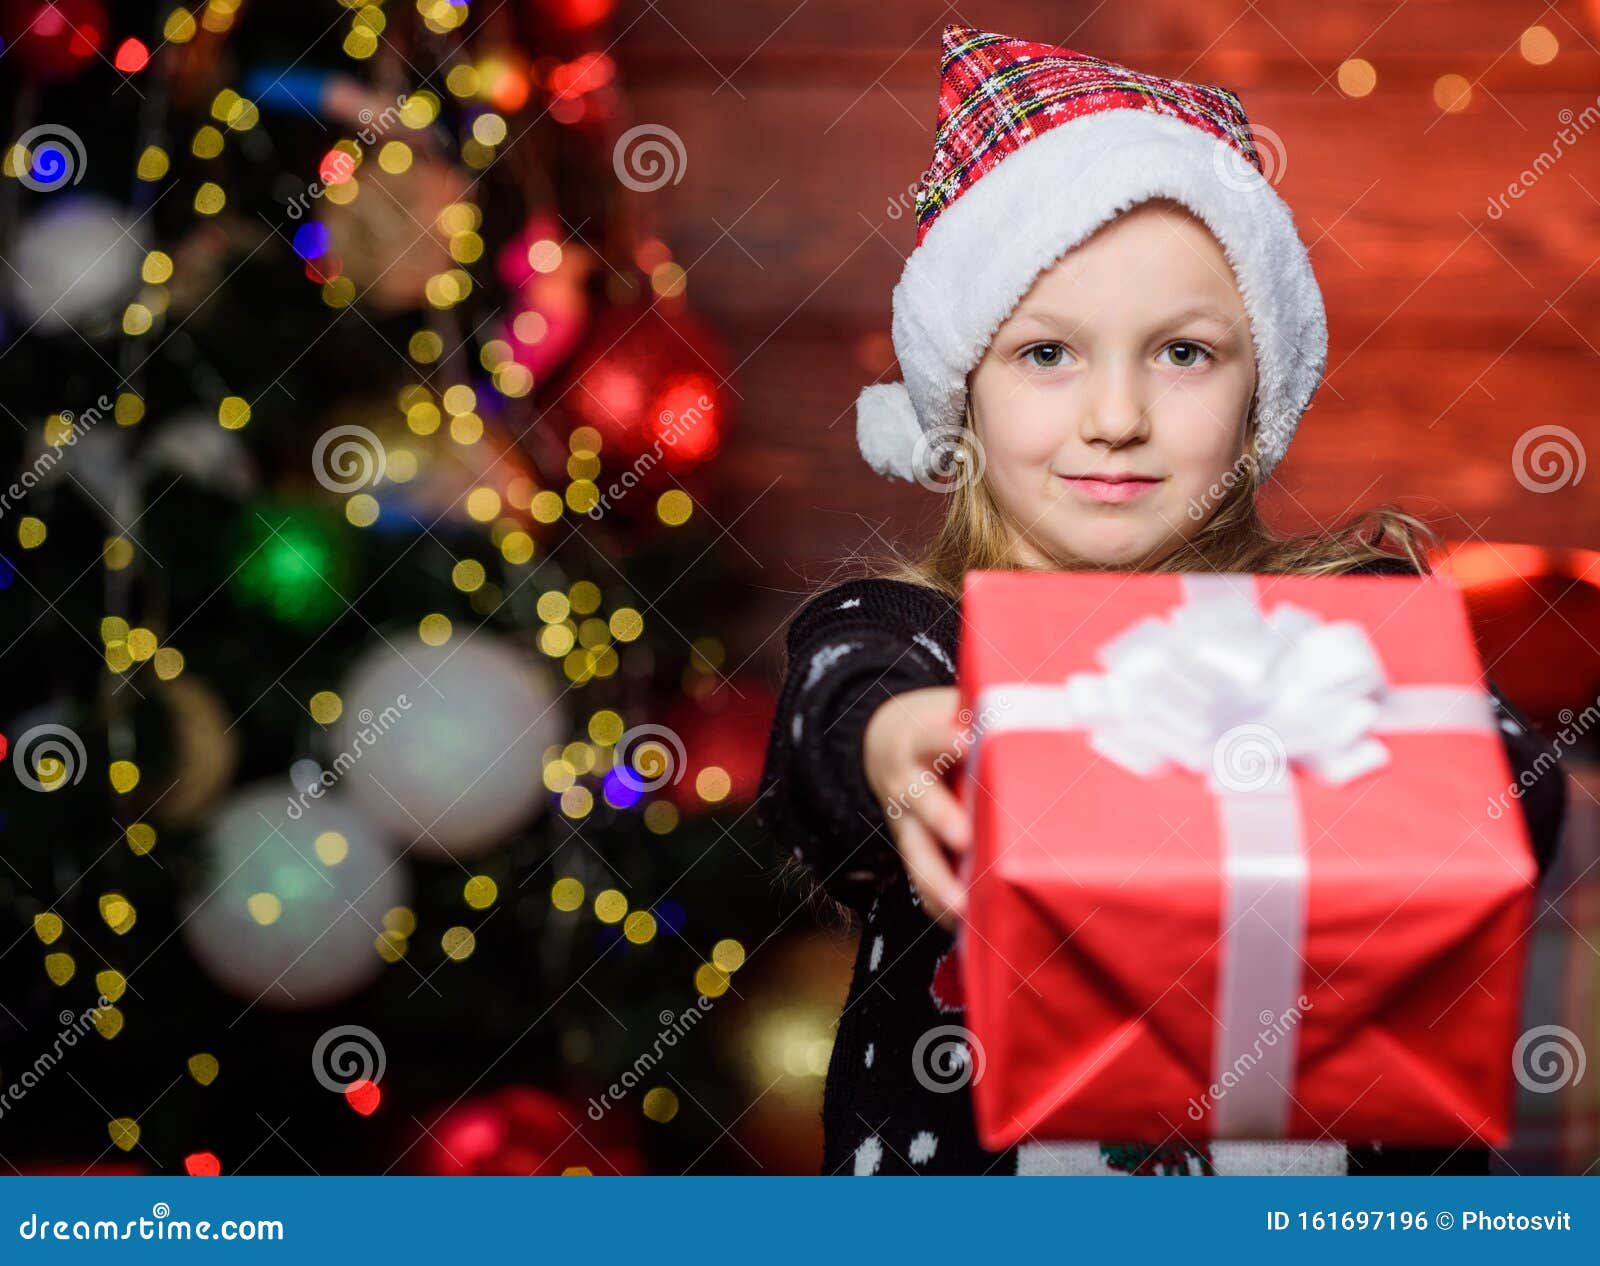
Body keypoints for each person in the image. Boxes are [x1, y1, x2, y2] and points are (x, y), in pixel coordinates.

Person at [756, 25, 1569, 1177]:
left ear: (1258, 391)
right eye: (1047, 354)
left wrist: (1391, 761)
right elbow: (831, 726)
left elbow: (1512, 797)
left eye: (1183, 354)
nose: (1116, 416)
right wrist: (893, 744)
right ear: (963, 396)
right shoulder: (916, 642)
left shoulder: (1347, 620)